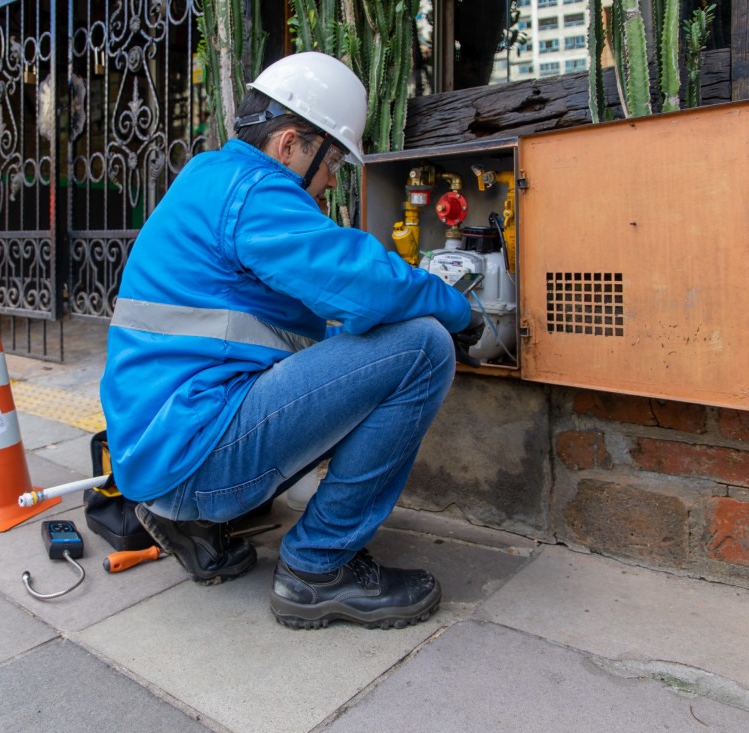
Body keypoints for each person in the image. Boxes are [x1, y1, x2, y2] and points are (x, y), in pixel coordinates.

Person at [100, 51, 484, 630]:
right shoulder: (254, 191)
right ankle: (318, 569)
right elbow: (365, 284)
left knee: (384, 341)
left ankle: (195, 522)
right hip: (194, 458)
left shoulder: (208, 177)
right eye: (331, 165)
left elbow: (315, 318)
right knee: (423, 346)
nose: (330, 184)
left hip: (159, 455)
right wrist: (460, 311)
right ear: (289, 145)